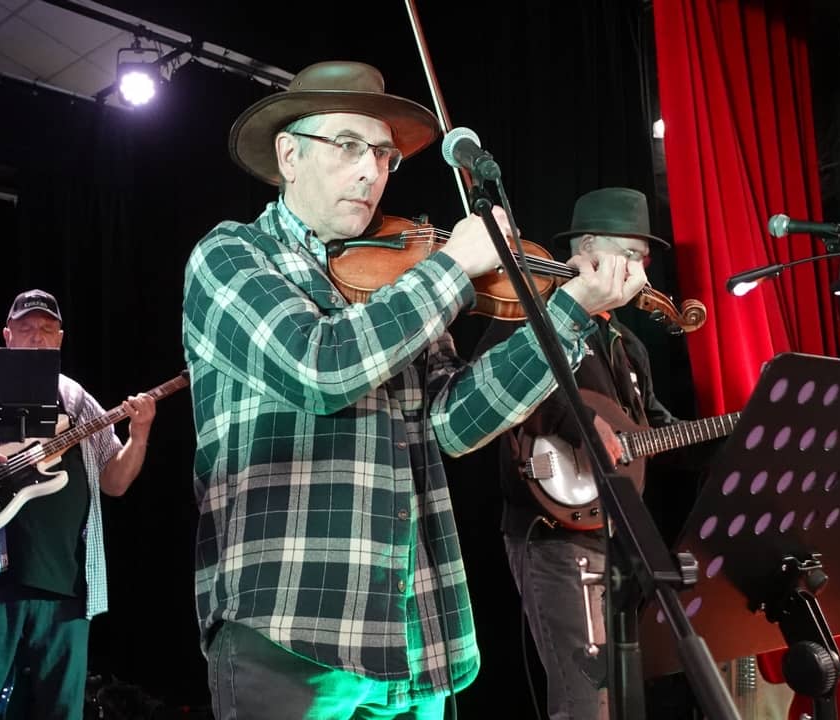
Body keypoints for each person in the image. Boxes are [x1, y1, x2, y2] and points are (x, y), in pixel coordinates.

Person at [182, 61, 648, 719]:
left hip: (413, 631)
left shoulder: (404, 283)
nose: (371, 170)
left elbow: (454, 423)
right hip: (292, 622)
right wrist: (454, 264)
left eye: (382, 153)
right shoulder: (231, 256)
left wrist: (568, 309)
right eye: (348, 145)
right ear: (289, 154)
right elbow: (320, 369)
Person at [472, 188, 677, 720]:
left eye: (642, 260)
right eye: (626, 255)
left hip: (617, 534)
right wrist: (580, 424)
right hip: (553, 532)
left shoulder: (627, 344)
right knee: (586, 701)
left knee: (625, 694)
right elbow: (491, 396)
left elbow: (650, 428)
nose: (638, 273)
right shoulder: (529, 311)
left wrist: (730, 432)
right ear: (587, 248)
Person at [0, 289, 156, 720]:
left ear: (60, 339)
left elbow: (115, 482)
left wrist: (139, 434)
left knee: (61, 711)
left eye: (47, 331)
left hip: (64, 583)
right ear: (6, 336)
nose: (37, 339)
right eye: (26, 330)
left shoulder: (78, 401)